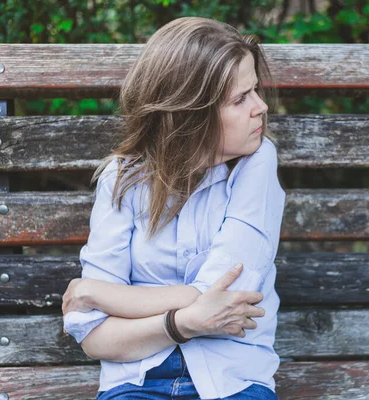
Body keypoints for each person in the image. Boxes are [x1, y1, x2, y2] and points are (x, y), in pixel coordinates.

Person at [61, 16, 286, 400]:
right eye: (240, 98)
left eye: (255, 91)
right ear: (189, 114)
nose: (261, 107)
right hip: (136, 380)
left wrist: (96, 293)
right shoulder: (122, 177)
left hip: (231, 380)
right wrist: (187, 320)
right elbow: (94, 336)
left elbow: (229, 294)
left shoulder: (256, 162)